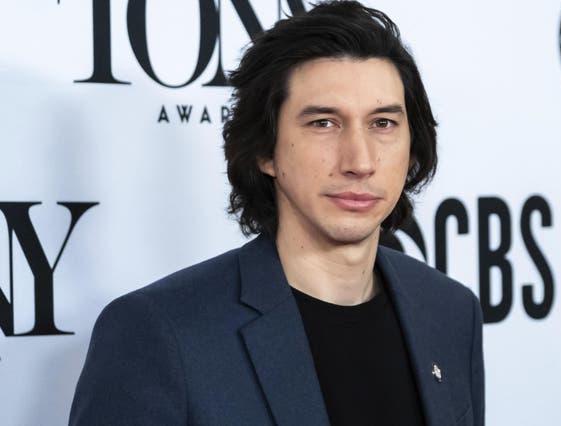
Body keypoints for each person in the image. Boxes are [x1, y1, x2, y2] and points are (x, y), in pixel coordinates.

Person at [69, 1, 484, 425]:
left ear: (412, 147)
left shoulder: (451, 312)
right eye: (324, 123)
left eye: (383, 123)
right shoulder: (158, 333)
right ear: (265, 150)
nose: (360, 161)